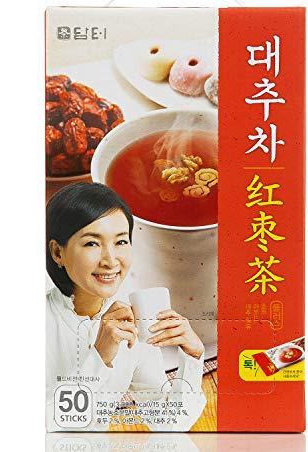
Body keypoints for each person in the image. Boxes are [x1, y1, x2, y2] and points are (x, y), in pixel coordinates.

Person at [46, 182, 206, 431]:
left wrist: (193, 356)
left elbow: (168, 421)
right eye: (92, 243)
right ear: (58, 252)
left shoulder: (128, 319)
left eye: (121, 242)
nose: (111, 260)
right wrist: (100, 357)